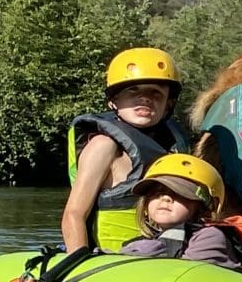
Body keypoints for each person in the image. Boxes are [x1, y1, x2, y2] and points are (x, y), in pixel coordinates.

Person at [61, 48, 187, 254]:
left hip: (163, 258)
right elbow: (73, 214)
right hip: (114, 260)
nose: (145, 98)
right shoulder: (103, 146)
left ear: (168, 103)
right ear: (113, 101)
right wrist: (78, 264)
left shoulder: (175, 149)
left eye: (155, 92)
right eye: (133, 91)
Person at [119, 154, 242, 268]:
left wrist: (143, 264)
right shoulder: (141, 243)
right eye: (156, 193)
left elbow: (185, 280)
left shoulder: (210, 237)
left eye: (178, 193)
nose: (165, 198)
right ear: (145, 205)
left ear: (203, 207)